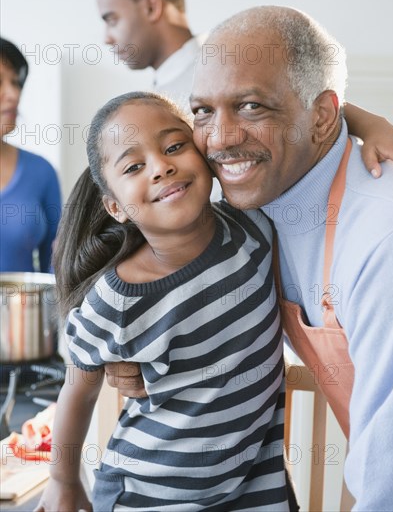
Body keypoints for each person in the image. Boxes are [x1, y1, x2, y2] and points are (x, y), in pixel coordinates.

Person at [108, 7, 393, 511]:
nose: (218, 140)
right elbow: (100, 249)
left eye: (249, 107)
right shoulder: (252, 212)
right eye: (202, 111)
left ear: (324, 115)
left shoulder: (383, 238)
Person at [36, 92, 295, 511]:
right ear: (116, 207)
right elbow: (77, 393)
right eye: (135, 167)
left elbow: (313, 138)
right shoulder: (117, 301)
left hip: (253, 486)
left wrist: (364, 122)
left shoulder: (255, 226)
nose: (162, 167)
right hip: (149, 495)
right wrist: (62, 480)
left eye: (175, 146)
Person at [97, 0, 393, 176]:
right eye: (202, 110)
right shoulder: (157, 91)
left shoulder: (235, 62)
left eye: (112, 19)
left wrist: (371, 124)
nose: (107, 38)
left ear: (151, 7)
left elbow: (308, 103)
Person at [0, 38, 62, 273]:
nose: (13, 94)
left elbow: (56, 266)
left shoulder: (41, 171)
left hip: (23, 310)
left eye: (16, 83)